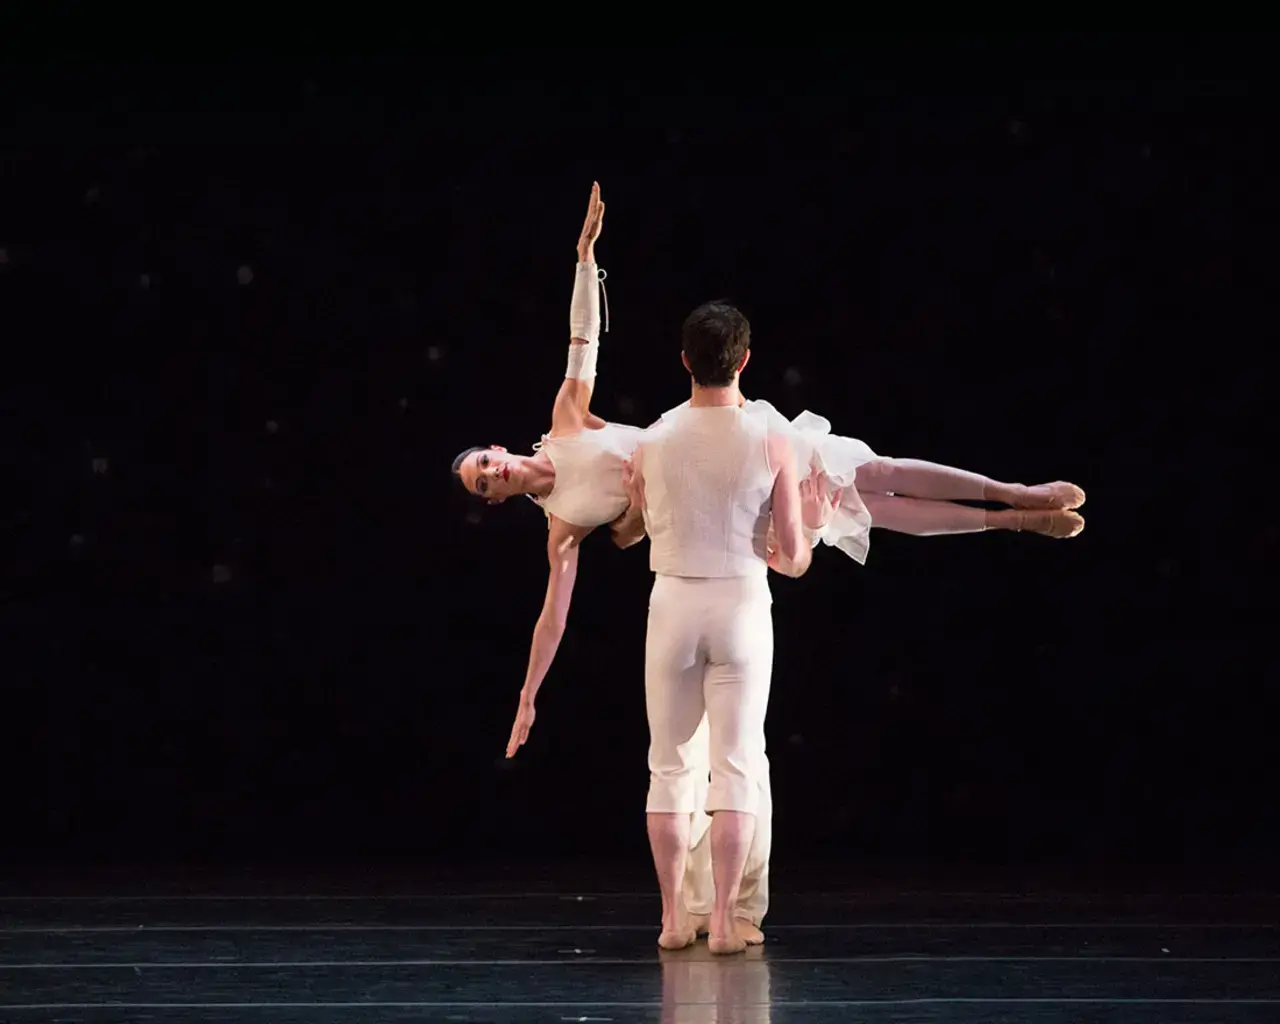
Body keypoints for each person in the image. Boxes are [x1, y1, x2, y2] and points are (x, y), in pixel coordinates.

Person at [624, 298, 833, 954]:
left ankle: (671, 920)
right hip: (741, 602)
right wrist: (815, 525)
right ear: (744, 361)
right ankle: (724, 918)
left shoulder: (651, 440)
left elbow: (632, 527)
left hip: (674, 606)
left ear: (685, 360)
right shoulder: (773, 439)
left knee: (670, 768)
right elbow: (794, 559)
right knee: (737, 765)